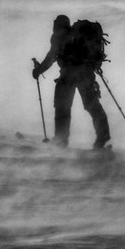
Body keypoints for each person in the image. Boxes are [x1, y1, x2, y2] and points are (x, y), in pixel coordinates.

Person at [32, 15, 111, 149]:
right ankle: (103, 136)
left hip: (68, 76)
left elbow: (51, 57)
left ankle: (61, 139)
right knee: (92, 105)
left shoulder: (58, 38)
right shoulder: (77, 35)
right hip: (85, 74)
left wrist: (38, 71)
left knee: (62, 107)